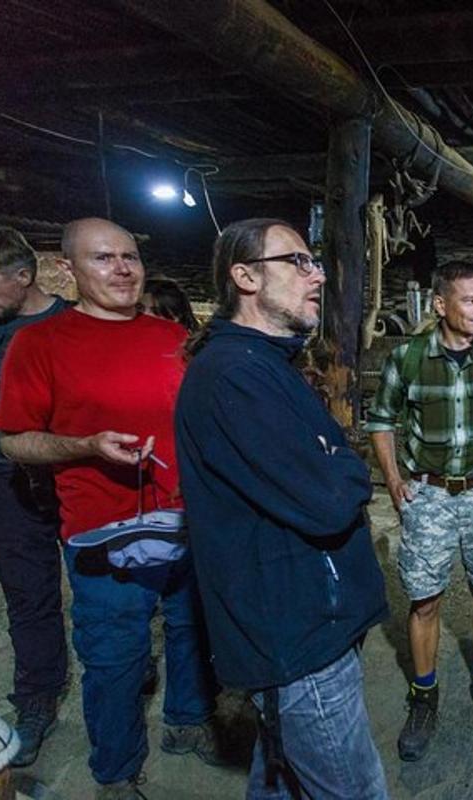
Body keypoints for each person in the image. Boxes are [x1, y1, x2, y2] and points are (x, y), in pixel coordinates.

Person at [0, 218, 220, 798]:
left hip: (186, 519)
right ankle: (116, 771)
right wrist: (86, 446)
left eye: (129, 257)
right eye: (103, 258)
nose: (122, 269)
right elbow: (16, 439)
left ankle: (187, 722)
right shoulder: (39, 342)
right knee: (116, 655)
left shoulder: (169, 337)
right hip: (103, 531)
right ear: (68, 269)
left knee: (192, 629)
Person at [175, 218, 390, 799]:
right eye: (296, 261)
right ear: (244, 277)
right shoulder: (236, 377)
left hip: (306, 619)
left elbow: (327, 467)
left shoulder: (266, 364)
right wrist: (348, 464)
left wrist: (334, 459)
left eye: (314, 260)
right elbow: (328, 498)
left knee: (281, 780)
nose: (316, 274)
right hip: (297, 637)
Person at [368, 261, 473, 762]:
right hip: (430, 494)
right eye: (469, 300)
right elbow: (381, 421)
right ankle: (424, 697)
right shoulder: (409, 357)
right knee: (424, 600)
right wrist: (394, 480)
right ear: (441, 305)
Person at [0, 225, 69, 767]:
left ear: (24, 277)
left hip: (50, 476)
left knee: (59, 587)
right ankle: (35, 697)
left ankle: (46, 696)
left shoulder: (66, 328)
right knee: (26, 594)